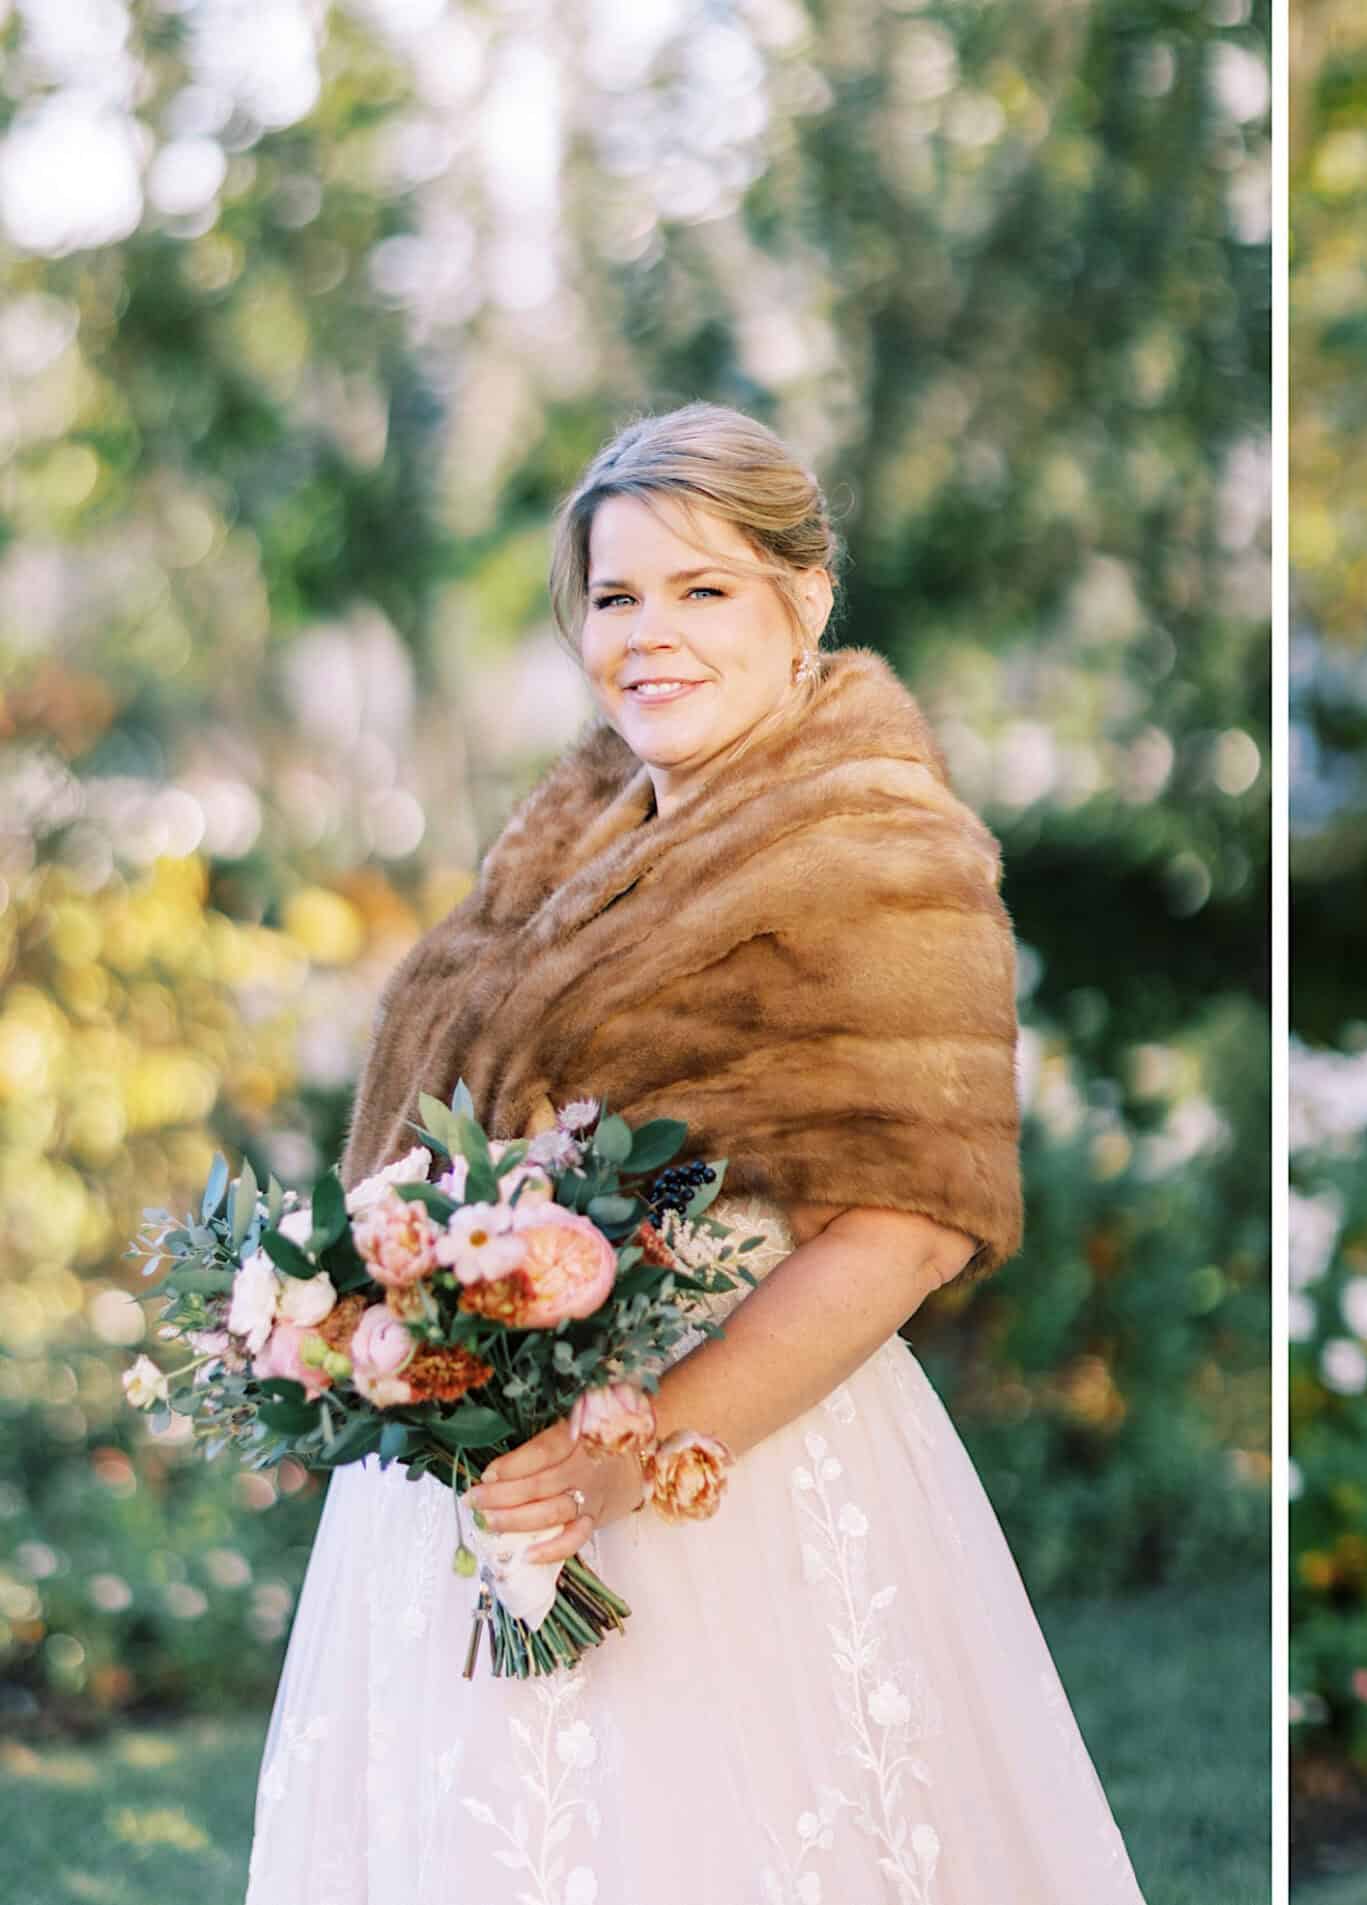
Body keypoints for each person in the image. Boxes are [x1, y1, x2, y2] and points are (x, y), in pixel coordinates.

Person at [246, 402, 1146, 1903]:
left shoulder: (878, 850)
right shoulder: (567, 843)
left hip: (733, 1474)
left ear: (805, 602)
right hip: (484, 1483)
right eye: (615, 596)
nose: (645, 634)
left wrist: (631, 1449)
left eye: (701, 588)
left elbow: (909, 1225)